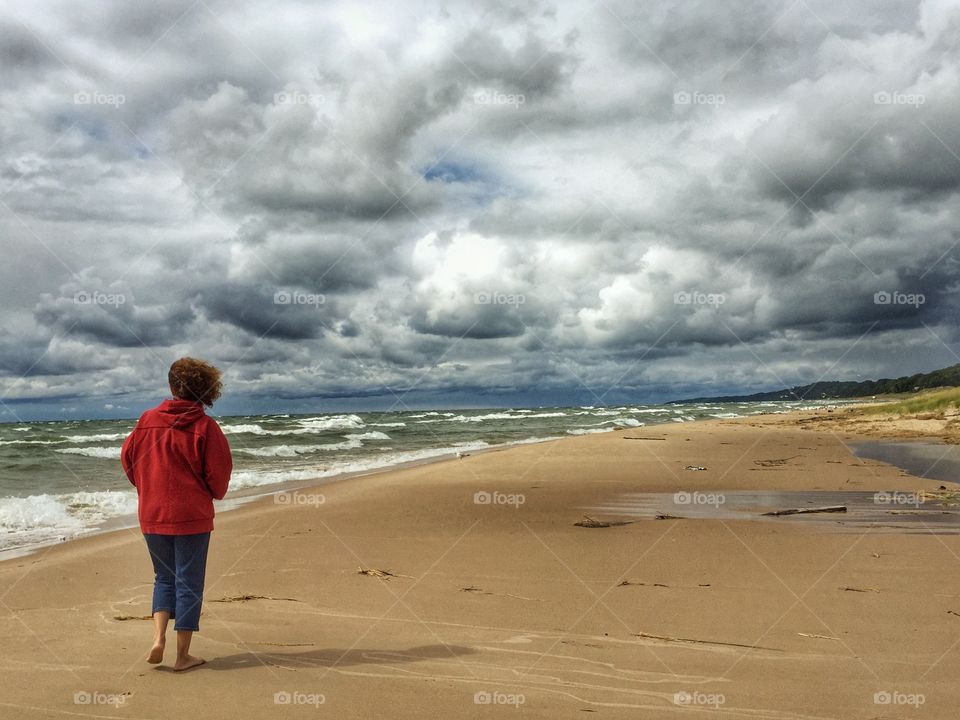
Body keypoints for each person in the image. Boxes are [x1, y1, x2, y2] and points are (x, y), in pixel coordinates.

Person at [121, 357, 232, 671]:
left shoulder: (146, 420)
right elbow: (219, 475)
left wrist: (147, 485)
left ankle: (158, 638)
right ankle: (182, 656)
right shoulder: (205, 427)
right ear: (207, 390)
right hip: (191, 515)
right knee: (189, 582)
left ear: (172, 387)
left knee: (163, 578)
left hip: (152, 512)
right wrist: (212, 493)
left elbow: (129, 460)